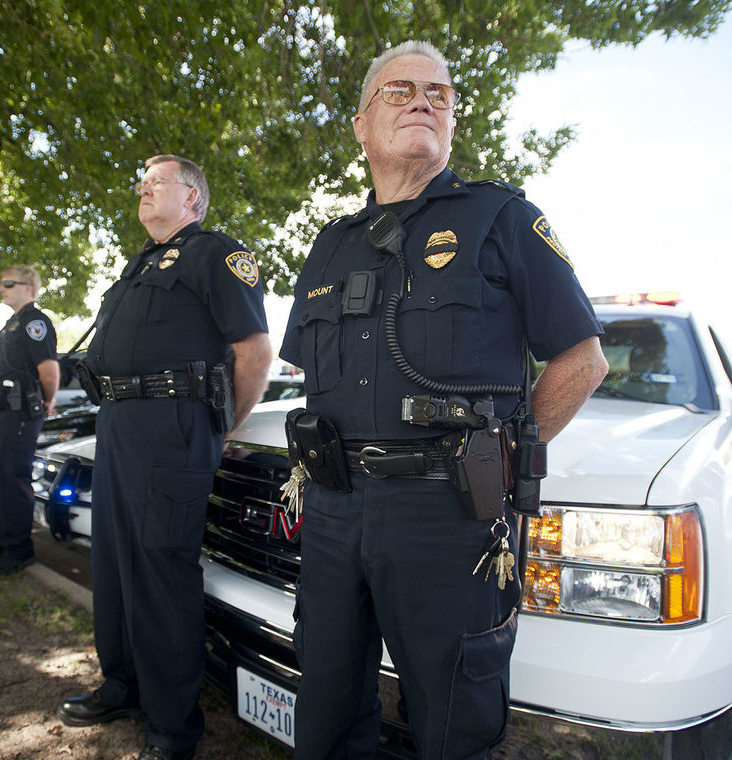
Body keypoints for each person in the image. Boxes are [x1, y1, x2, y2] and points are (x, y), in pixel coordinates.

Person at [278, 41, 609, 760]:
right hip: (335, 514)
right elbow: (309, 374)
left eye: (440, 92)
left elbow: (583, 360)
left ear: (453, 121)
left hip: (449, 518)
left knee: (453, 718)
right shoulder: (329, 246)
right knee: (326, 708)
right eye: (399, 90)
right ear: (361, 124)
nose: (424, 100)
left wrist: (507, 452)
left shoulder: (504, 218)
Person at [56, 155, 272, 760]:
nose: (144, 189)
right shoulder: (137, 266)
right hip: (121, 423)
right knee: (117, 565)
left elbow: (254, 350)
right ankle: (123, 684)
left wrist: (221, 426)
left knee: (159, 572)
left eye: (158, 182)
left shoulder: (216, 254)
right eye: (141, 182)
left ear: (194, 199)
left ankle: (172, 728)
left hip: (174, 426)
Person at [0, 266, 60, 576]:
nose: (1, 288)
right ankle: (0, 541)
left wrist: (47, 401)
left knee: (11, 479)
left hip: (18, 413)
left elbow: (49, 370)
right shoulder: (13, 323)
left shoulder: (35, 321)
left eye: (9, 284)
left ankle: (19, 550)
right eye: (1, 283)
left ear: (29, 287)